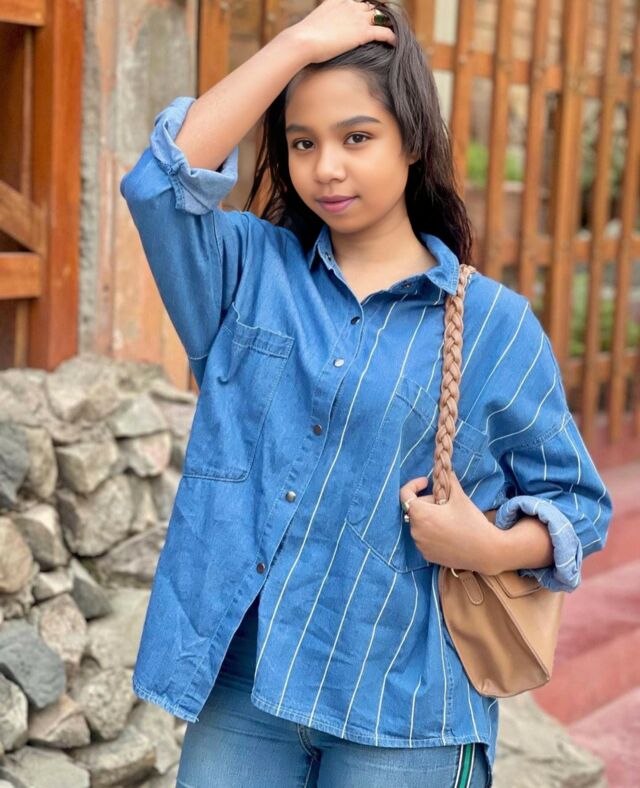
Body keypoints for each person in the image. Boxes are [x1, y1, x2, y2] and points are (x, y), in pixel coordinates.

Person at [119, 1, 613, 786]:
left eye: (357, 137)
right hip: (246, 690)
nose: (326, 168)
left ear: (412, 141)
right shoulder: (249, 272)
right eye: (303, 142)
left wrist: (486, 547)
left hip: (406, 709)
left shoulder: (493, 325)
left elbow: (580, 507)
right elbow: (158, 184)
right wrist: (297, 44)